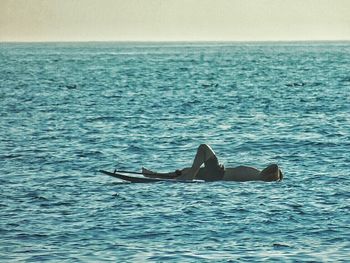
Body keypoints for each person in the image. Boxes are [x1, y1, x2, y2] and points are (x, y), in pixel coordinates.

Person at [142, 144, 283, 182]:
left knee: (203, 148)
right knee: (187, 169)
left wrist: (277, 176)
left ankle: (188, 177)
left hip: (218, 173)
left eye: (269, 170)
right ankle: (154, 175)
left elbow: (274, 168)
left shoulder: (259, 178)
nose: (267, 168)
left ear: (269, 175)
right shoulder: (257, 175)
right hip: (216, 176)